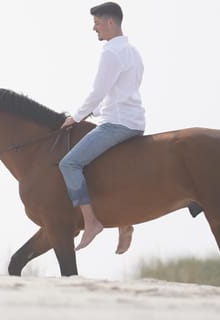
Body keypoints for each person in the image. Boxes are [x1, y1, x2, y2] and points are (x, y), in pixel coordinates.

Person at [59, 2, 145, 252]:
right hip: (135, 122)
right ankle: (123, 221)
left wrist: (76, 116)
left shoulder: (111, 53)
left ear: (110, 22)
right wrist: (94, 112)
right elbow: (119, 92)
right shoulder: (133, 51)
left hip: (116, 124)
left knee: (69, 164)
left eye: (97, 23)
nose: (94, 28)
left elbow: (98, 92)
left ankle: (91, 222)